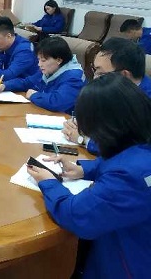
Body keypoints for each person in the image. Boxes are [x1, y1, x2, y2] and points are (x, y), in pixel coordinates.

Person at [27, 73, 151, 279]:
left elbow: (76, 215)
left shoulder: (130, 177)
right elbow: (123, 159)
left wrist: (48, 183)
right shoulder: (140, 142)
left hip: (127, 265)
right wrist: (84, 169)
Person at [63, 37, 151, 153]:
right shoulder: (116, 91)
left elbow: (130, 151)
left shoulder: (145, 104)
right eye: (94, 70)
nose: (95, 78)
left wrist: (83, 140)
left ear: (124, 75)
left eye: (101, 73)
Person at [0, 36, 86, 113]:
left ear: (58, 60)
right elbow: (27, 82)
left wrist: (34, 95)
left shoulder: (74, 77)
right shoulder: (51, 69)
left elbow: (57, 102)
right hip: (47, 113)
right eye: (39, 60)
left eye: (43, 60)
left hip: (67, 121)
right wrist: (5, 85)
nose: (39, 64)